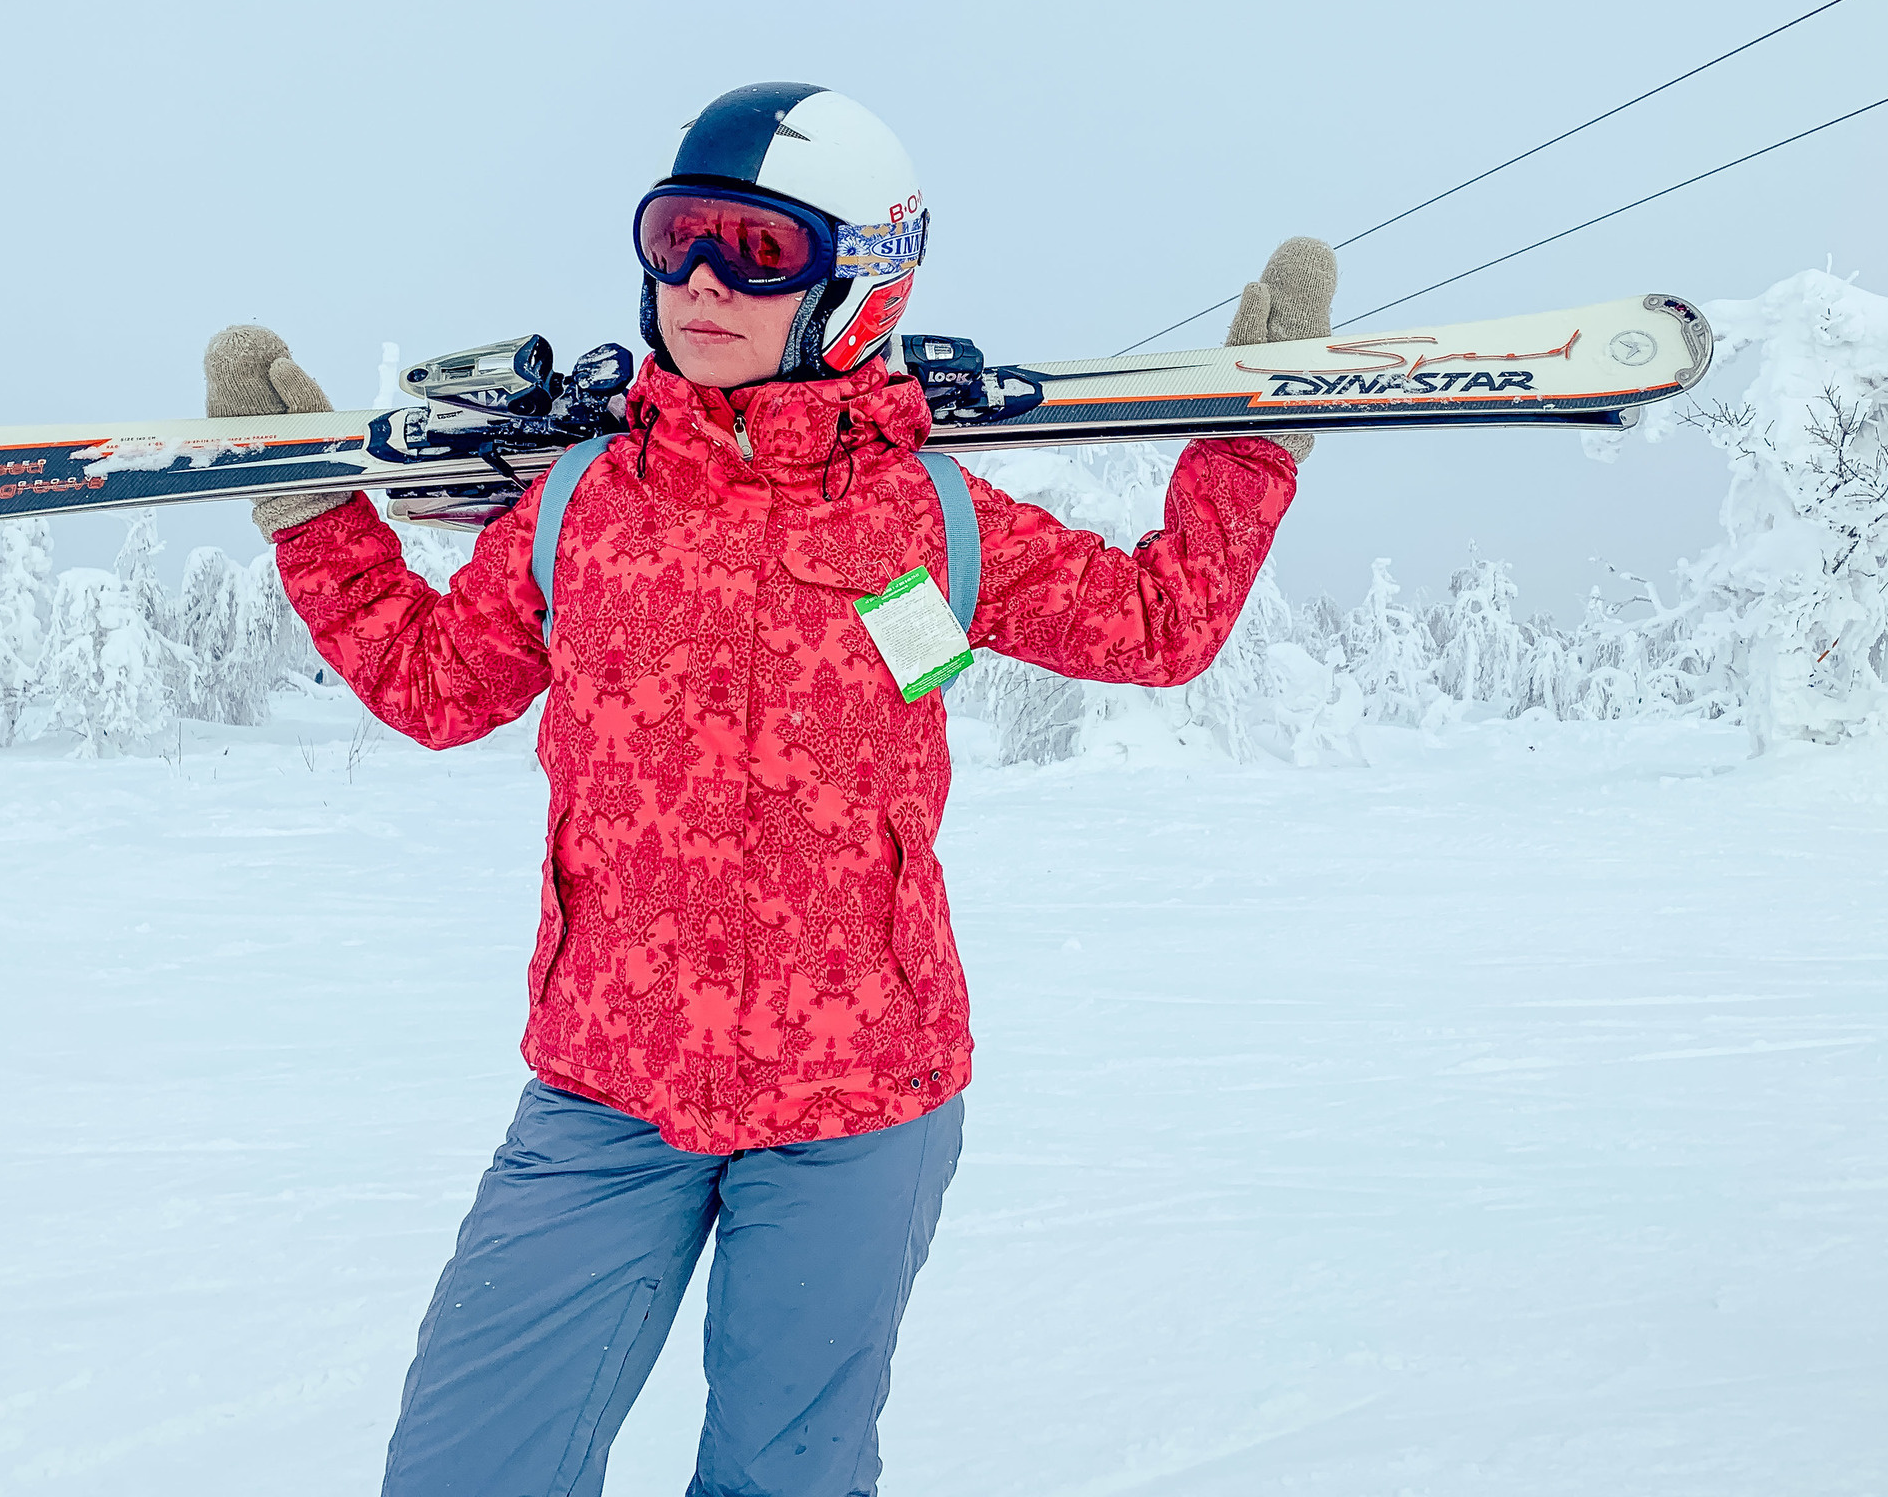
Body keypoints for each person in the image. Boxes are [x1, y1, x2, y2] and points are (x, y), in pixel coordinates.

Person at [201, 82, 1333, 1496]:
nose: (700, 282)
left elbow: (1161, 625)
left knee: (783, 1480)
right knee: (465, 1467)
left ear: (857, 282)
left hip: (863, 1100)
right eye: (676, 238)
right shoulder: (582, 509)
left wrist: (1256, 436)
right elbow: (436, 687)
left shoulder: (933, 516)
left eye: (756, 249)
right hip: (606, 1091)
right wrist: (315, 518)